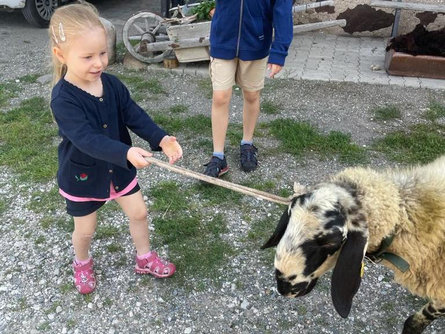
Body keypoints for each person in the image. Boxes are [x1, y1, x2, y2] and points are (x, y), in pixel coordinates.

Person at [48, 1, 183, 294]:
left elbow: (133, 114)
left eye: (103, 53)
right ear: (62, 55)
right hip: (83, 175)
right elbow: (85, 139)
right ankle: (82, 262)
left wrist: (160, 138)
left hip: (120, 170)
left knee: (139, 213)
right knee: (85, 230)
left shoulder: (111, 84)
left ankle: (144, 258)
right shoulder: (63, 99)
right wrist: (125, 153)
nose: (98, 63)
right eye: (87, 57)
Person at [203, 0, 294, 177]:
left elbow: (283, 10)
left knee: (252, 95)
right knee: (220, 97)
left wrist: (279, 51)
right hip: (223, 39)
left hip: (256, 42)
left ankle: (247, 143)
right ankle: (218, 155)